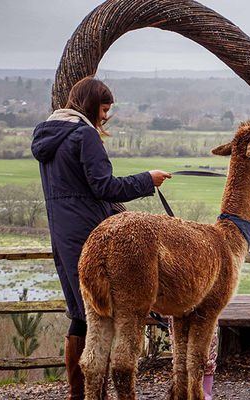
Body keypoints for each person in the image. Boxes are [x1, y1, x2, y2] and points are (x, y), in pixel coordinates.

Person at [31, 76, 171, 399]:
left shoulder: (49, 137)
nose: (106, 116)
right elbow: (104, 187)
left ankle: (79, 393)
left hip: (62, 239)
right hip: (91, 237)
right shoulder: (84, 136)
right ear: (92, 104)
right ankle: (93, 392)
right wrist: (147, 180)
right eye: (104, 108)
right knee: (98, 316)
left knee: (80, 314)